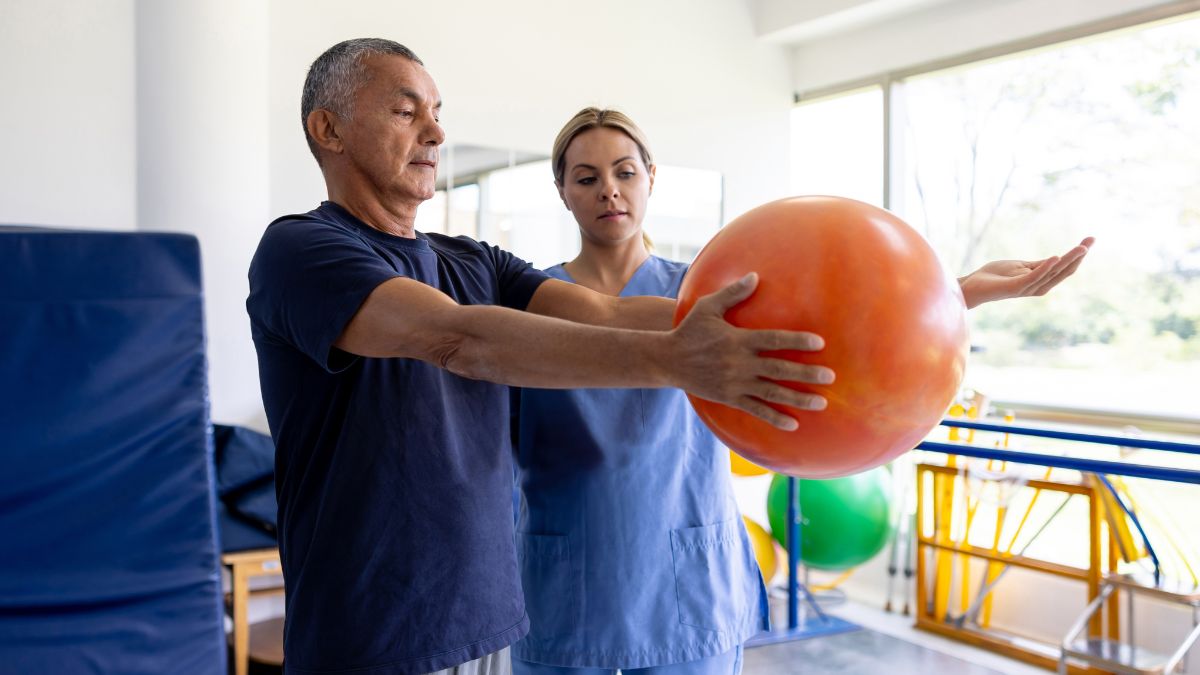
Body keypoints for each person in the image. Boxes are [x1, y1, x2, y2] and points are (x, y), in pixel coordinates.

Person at [246, 39, 835, 675]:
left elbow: (606, 311)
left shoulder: (472, 259)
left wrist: (848, 319)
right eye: (406, 111)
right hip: (370, 635)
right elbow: (457, 340)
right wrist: (676, 361)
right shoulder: (299, 250)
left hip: (484, 626)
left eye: (437, 111)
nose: (436, 132)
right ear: (327, 128)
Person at [510, 107, 1094, 674]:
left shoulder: (712, 288)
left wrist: (958, 292)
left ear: (651, 178)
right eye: (586, 177)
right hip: (568, 575)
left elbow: (828, 332)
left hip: (684, 574)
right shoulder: (533, 302)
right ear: (563, 190)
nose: (609, 190)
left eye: (625, 171)